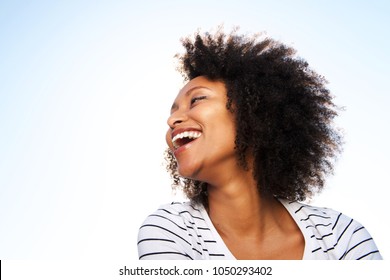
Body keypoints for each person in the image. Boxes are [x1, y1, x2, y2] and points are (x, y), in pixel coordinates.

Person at [137, 28, 382, 260]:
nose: (172, 120)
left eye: (197, 100)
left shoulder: (342, 237)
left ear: (254, 114)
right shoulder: (171, 231)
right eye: (173, 111)